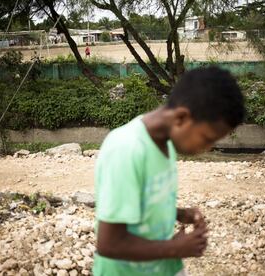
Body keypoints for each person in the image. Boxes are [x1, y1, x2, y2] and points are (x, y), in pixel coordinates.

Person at [94, 66, 245, 275]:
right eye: (207, 138)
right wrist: (176, 248)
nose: (208, 148)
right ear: (181, 118)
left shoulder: (166, 142)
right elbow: (109, 244)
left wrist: (178, 213)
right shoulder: (126, 149)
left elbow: (142, 201)